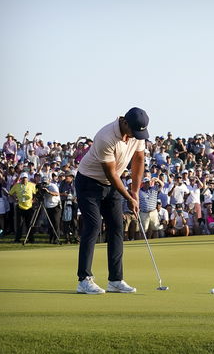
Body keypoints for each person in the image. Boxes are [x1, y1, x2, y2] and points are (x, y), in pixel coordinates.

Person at [74, 107, 148, 294]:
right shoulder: (106, 136)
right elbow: (111, 174)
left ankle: (115, 280)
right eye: (134, 132)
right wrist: (129, 197)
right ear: (124, 123)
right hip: (89, 182)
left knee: (117, 226)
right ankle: (84, 280)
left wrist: (135, 191)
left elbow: (139, 159)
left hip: (112, 184)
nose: (136, 136)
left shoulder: (136, 135)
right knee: (93, 225)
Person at [9, 172, 37, 243]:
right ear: (20, 179)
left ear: (27, 178)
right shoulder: (16, 185)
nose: (24, 180)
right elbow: (10, 193)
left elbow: (37, 193)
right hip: (20, 207)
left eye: (25, 178)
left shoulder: (32, 185)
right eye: (23, 178)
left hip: (29, 207)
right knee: (19, 224)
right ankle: (17, 239)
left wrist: (34, 200)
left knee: (29, 224)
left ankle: (31, 239)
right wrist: (14, 198)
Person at [41, 175, 61, 244]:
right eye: (43, 183)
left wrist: (48, 191)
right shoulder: (43, 187)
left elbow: (57, 193)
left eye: (46, 182)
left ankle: (56, 239)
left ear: (49, 180)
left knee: (55, 224)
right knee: (50, 224)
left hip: (55, 206)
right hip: (48, 207)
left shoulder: (53, 186)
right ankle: (51, 239)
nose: (44, 184)